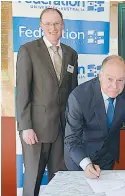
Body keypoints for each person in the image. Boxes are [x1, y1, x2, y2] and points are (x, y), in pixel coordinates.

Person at [15, 8, 78, 196]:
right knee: (33, 178)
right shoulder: (28, 50)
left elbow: (73, 93)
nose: (53, 27)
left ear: (63, 25)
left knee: (60, 179)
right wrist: (26, 126)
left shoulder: (71, 54)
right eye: (48, 23)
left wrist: (73, 127)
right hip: (36, 130)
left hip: (62, 129)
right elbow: (22, 91)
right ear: (41, 26)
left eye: (57, 23)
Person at [64, 55, 125, 178]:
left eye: (120, 80)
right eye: (110, 79)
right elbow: (71, 140)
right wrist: (87, 165)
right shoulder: (79, 97)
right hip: (81, 157)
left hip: (107, 156)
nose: (115, 86)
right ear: (100, 75)